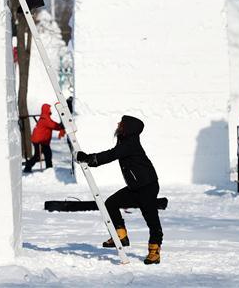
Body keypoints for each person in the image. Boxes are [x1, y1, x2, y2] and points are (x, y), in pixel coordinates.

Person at [76, 115, 163, 265]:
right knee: (110, 204)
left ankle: (154, 252)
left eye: (121, 123)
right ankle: (121, 236)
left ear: (128, 128)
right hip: (135, 186)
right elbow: (114, 152)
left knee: (151, 220)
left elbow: (111, 154)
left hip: (147, 186)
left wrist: (90, 159)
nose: (118, 124)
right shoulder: (125, 141)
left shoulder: (130, 144)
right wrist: (91, 159)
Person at [23, 104, 65, 173]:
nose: (50, 110)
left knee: (48, 154)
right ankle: (28, 167)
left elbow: (53, 124)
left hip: (43, 141)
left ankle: (49, 168)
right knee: (38, 155)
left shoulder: (46, 118)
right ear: (46, 110)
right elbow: (53, 125)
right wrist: (61, 126)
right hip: (39, 140)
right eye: (49, 109)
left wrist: (60, 126)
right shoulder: (45, 119)